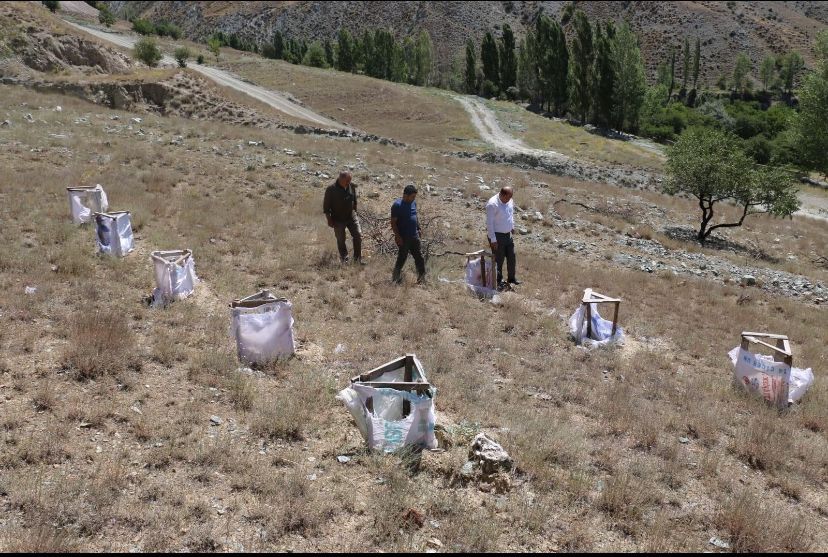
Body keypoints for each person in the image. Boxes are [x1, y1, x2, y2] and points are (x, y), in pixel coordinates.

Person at [323, 171, 363, 264]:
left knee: (358, 235)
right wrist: (329, 219)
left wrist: (355, 212)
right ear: (340, 179)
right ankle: (344, 258)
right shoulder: (331, 189)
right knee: (341, 239)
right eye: (347, 180)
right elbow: (326, 207)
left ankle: (357, 260)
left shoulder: (351, 186)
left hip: (351, 216)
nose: (349, 182)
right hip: (338, 219)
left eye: (350, 180)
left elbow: (354, 201)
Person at [486, 186, 521, 290]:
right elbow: (489, 224)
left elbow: (510, 215)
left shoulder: (509, 201)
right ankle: (497, 281)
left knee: (512, 256)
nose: (510, 200)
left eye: (511, 197)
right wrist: (493, 239)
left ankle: (511, 279)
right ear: (502, 194)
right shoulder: (492, 204)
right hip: (497, 236)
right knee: (499, 259)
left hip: (508, 235)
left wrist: (512, 227)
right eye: (508, 197)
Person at [391, 184, 425, 284]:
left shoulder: (413, 203)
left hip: (414, 236)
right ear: (405, 195)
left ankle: (422, 278)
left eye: (414, 197)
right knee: (402, 257)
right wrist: (397, 236)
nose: (414, 198)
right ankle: (396, 278)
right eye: (412, 196)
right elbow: (393, 222)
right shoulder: (397, 205)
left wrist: (418, 228)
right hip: (403, 237)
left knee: (419, 257)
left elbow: (415, 216)